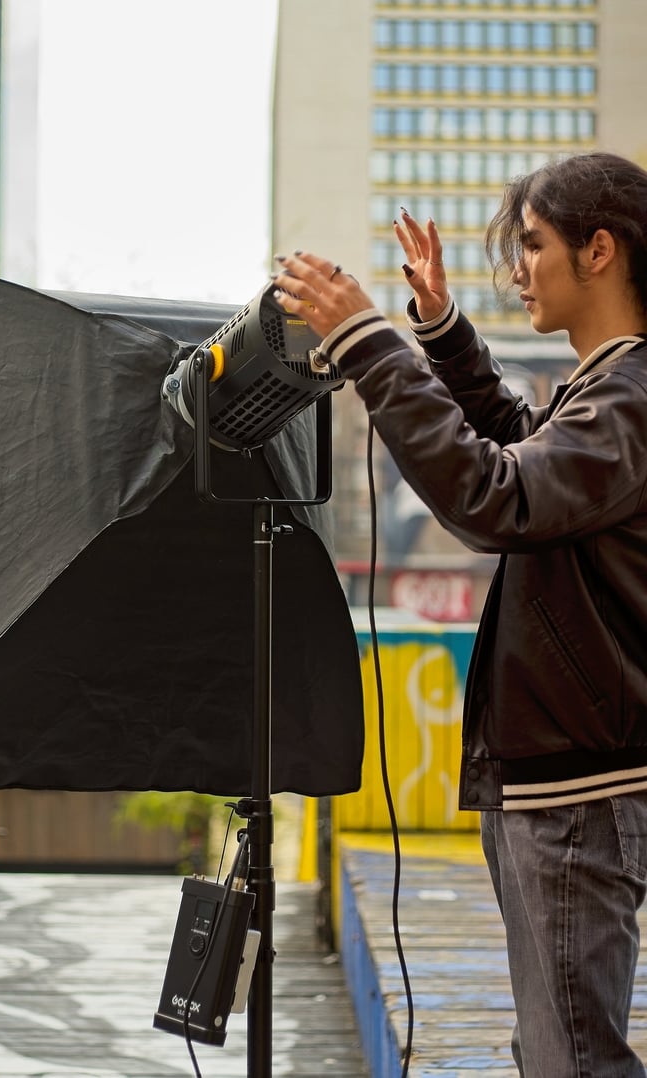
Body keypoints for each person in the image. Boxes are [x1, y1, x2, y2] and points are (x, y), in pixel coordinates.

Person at [270, 151, 647, 1078]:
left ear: (599, 250)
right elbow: (519, 452)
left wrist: (367, 342)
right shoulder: (608, 391)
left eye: (533, 245)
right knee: (554, 1049)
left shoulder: (633, 398)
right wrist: (441, 333)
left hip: (579, 793)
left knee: (575, 1060)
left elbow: (493, 498)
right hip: (558, 783)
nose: (518, 269)